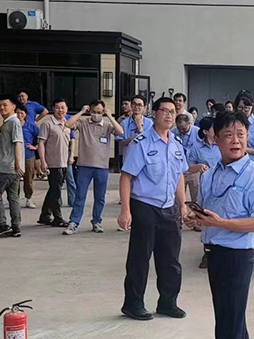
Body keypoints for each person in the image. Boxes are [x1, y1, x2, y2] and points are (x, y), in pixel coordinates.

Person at [183, 110, 254, 339]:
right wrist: (196, 219)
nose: (235, 141)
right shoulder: (211, 174)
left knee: (227, 326)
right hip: (215, 253)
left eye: (241, 135)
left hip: (236, 256)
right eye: (229, 135)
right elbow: (209, 213)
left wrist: (220, 223)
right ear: (216, 139)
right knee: (234, 320)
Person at [118, 97, 188, 320]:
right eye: (164, 111)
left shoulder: (176, 144)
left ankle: (168, 302)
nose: (169, 115)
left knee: (170, 259)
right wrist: (125, 210)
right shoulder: (141, 143)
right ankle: (133, 304)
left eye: (172, 112)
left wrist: (183, 204)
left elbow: (179, 175)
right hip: (145, 206)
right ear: (154, 113)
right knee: (140, 258)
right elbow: (126, 177)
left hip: (169, 208)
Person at [63, 101, 123, 234]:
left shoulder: (107, 126)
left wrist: (109, 116)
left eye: (99, 112)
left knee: (100, 197)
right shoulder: (83, 123)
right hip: (84, 166)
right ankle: (74, 222)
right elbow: (68, 124)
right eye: (94, 112)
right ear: (90, 111)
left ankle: (97, 221)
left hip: (102, 167)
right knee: (80, 196)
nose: (96, 114)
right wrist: (81, 112)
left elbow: (120, 132)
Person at [0, 94, 24, 238]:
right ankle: (16, 226)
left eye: (5, 105)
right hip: (11, 167)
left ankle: (2, 225)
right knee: (13, 197)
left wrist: (17, 164)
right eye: (0, 105)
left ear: (13, 106)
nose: (2, 108)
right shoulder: (7, 122)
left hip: (6, 167)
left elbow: (18, 142)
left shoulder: (14, 122)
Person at [188, 116, 222, 268]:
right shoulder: (196, 148)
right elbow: (188, 167)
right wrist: (198, 166)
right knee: (206, 219)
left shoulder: (221, 145)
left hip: (222, 187)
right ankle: (207, 253)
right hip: (205, 187)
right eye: (214, 128)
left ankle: (220, 252)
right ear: (205, 131)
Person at [36, 100, 71, 228]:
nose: (60, 110)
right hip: (52, 162)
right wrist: (43, 161)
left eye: (62, 108)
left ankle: (45, 215)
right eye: (57, 108)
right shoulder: (47, 124)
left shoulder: (67, 124)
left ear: (66, 109)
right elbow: (41, 143)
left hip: (64, 162)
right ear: (53, 109)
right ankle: (57, 218)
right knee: (56, 191)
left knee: (54, 189)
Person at [16, 106, 40, 208]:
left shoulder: (31, 126)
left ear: (25, 114)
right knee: (15, 179)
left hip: (28, 155)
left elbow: (41, 137)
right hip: (15, 156)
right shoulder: (13, 124)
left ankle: (28, 198)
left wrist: (35, 147)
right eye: (17, 113)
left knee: (29, 178)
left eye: (22, 113)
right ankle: (15, 200)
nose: (19, 115)